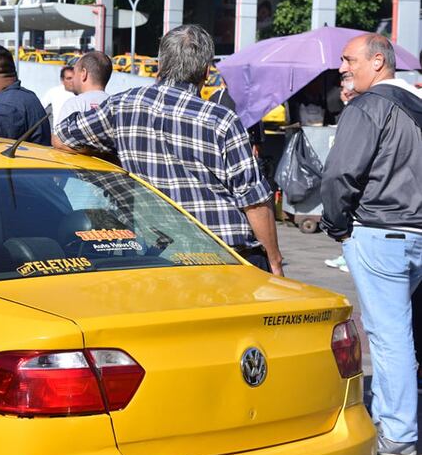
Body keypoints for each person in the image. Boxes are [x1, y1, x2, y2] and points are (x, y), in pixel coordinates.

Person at [54, 25, 284, 276]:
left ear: (160, 67)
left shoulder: (122, 107)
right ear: (206, 72)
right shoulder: (221, 120)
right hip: (225, 254)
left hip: (158, 254)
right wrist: (274, 261)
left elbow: (62, 137)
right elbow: (255, 202)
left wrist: (115, 155)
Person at [320, 33, 422, 455]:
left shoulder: (369, 106)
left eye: (348, 59)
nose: (342, 67)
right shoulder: (414, 106)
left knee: (389, 337)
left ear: (377, 61)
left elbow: (339, 175)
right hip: (413, 232)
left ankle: (397, 434)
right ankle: (393, 417)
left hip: (381, 232)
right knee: (401, 334)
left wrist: (337, 226)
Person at [56, 51, 112, 124]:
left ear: (83, 74)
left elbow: (59, 135)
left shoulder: (74, 104)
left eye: (74, 73)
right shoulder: (116, 106)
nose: (73, 79)